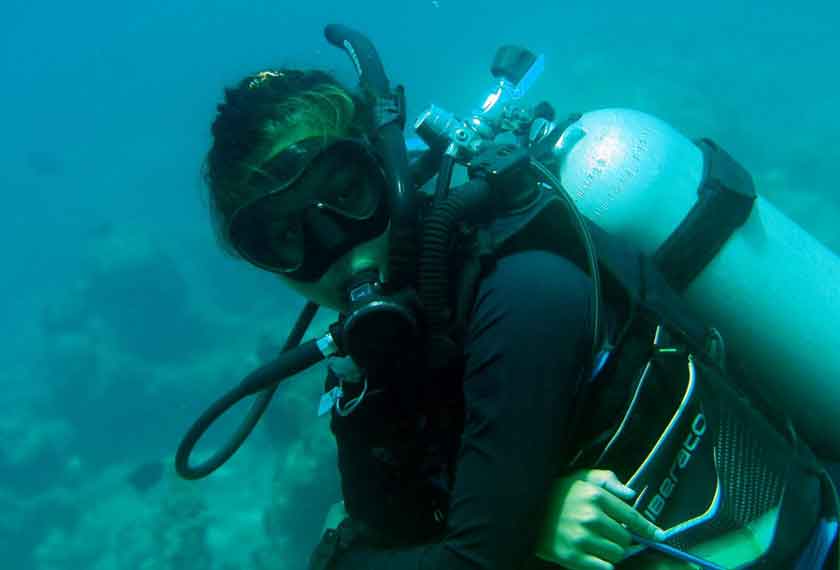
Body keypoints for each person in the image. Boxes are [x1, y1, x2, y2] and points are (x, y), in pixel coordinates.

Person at [198, 33, 838, 570]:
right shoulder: (378, 353)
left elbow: (471, 560)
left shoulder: (521, 289)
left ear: (386, 165)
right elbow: (398, 530)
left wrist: (345, 556)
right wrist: (520, 522)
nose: (334, 245)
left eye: (346, 194)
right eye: (286, 238)